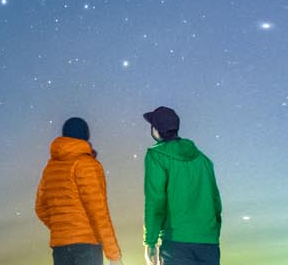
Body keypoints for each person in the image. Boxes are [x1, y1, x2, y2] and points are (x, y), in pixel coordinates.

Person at [35, 117, 125, 265]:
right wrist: (113, 254)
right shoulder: (87, 165)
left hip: (60, 248)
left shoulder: (50, 168)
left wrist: (63, 228)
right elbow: (98, 212)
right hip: (86, 247)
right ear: (86, 136)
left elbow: (40, 208)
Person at [141, 106, 221, 265]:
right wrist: (212, 234)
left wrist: (150, 242)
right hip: (209, 244)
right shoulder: (203, 160)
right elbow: (216, 202)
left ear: (156, 130)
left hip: (177, 242)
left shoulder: (156, 155)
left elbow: (155, 202)